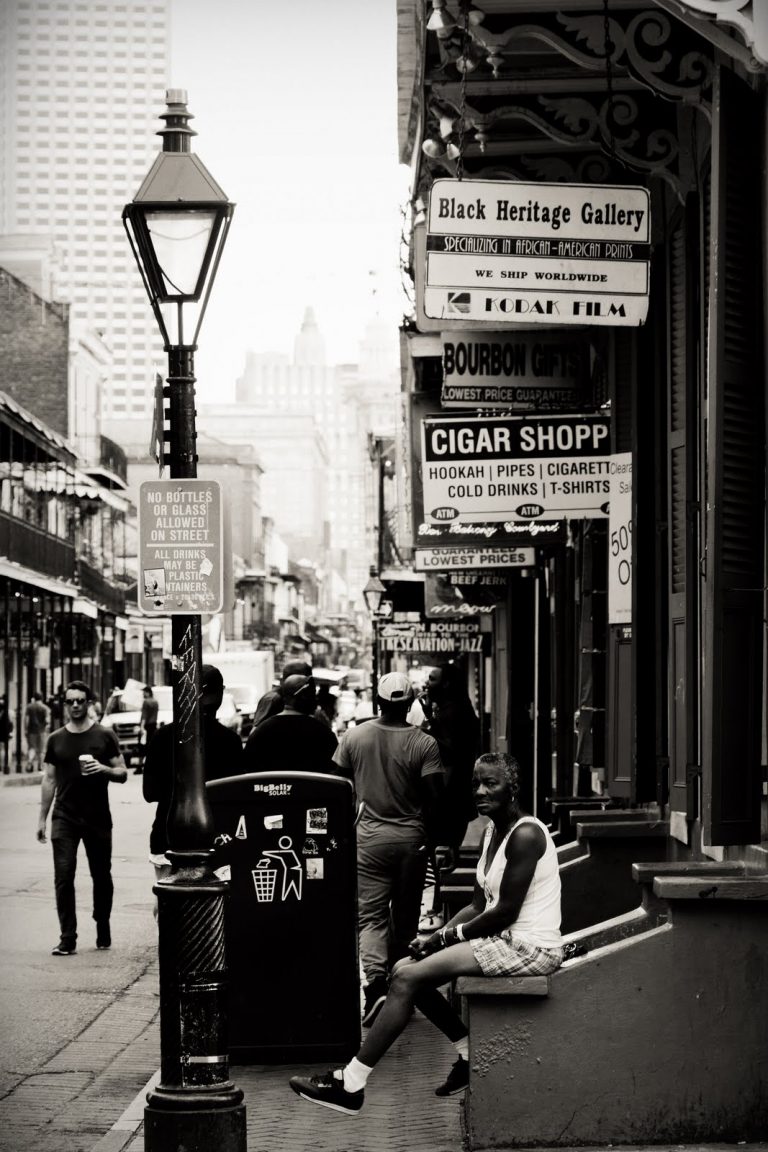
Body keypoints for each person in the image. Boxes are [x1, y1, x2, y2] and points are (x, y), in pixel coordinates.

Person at [289, 751, 563, 1114]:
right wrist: (430, 942)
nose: (480, 791)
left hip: (529, 947)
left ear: (512, 788)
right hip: (501, 939)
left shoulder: (526, 834)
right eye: (475, 784)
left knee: (408, 980)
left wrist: (442, 939)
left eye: (490, 783)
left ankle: (350, 1083)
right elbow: (479, 905)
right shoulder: (492, 832)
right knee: (403, 968)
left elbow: (504, 913)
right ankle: (467, 1055)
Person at [331, 671, 446, 1029]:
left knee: (371, 917)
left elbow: (335, 787)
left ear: (377, 701)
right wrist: (436, 839)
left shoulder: (354, 736)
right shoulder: (424, 743)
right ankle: (402, 990)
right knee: (407, 918)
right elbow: (434, 798)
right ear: (411, 703)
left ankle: (375, 988)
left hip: (368, 841)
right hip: (411, 842)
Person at [36, 679, 128, 956]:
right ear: (64, 705)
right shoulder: (55, 739)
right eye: (70, 701)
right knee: (63, 877)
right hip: (64, 818)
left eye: (80, 700)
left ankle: (102, 922)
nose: (75, 705)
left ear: (88, 703)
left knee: (101, 876)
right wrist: (42, 818)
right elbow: (49, 780)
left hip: (97, 817)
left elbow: (122, 772)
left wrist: (103, 769)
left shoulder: (104, 736)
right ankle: (68, 937)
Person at [143, 664, 245, 894]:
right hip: (220, 838)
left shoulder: (162, 737)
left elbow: (150, 793)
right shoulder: (230, 741)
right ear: (221, 694)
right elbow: (238, 796)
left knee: (168, 905)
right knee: (218, 905)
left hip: (167, 836)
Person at [419, 663, 482, 930]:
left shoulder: (454, 712)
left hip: (449, 795)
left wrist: (425, 731)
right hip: (451, 794)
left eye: (432, 679)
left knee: (442, 852)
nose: (426, 683)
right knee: (441, 852)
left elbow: (450, 749)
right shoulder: (452, 709)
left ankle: (441, 908)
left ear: (445, 684)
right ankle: (439, 906)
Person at [243, 673, 338, 773]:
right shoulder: (322, 733)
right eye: (312, 694)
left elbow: (248, 769)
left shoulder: (261, 732)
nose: (316, 699)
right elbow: (335, 771)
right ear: (302, 696)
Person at [135, 685, 159, 775]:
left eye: (144, 692)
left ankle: (139, 766)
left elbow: (144, 716)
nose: (143, 694)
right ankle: (152, 765)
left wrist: (141, 727)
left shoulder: (146, 702)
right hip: (153, 726)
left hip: (146, 727)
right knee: (151, 746)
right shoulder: (156, 702)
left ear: (148, 692)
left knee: (142, 746)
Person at [24, 692, 50, 772]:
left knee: (32, 748)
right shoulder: (45, 708)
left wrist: (26, 729)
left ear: (34, 698)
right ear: (42, 698)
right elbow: (47, 720)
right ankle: (40, 766)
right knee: (41, 750)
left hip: (31, 731)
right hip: (42, 731)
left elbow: (26, 720)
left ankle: (30, 762)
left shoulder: (29, 707)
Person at [0, 694, 13, 771]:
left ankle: (1, 765)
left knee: (1, 749)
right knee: (8, 750)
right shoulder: (10, 712)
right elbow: (12, 723)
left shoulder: (1, 712)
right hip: (8, 732)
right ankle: (7, 765)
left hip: (1, 732)